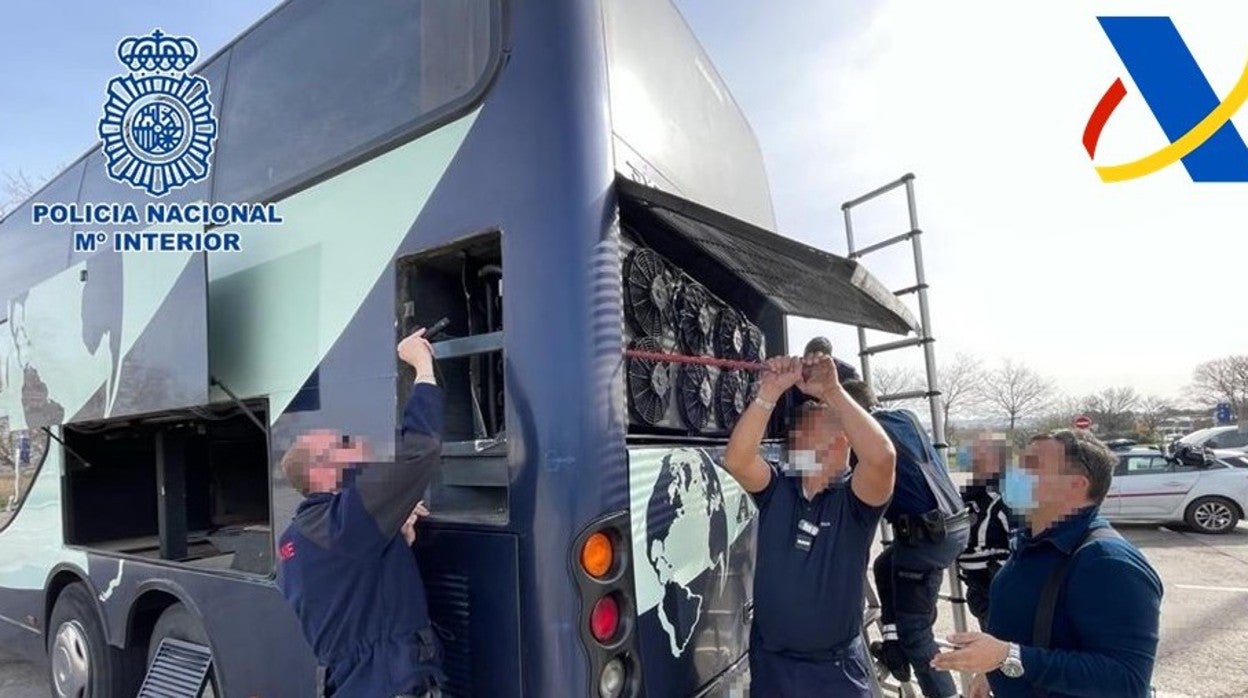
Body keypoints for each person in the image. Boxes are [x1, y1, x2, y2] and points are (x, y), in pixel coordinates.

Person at [277, 328, 446, 697]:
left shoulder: (295, 539)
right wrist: (422, 367)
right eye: (345, 444)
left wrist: (391, 536)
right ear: (321, 472)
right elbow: (420, 451)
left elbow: (352, 584)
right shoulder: (347, 522)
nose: (361, 445)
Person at [931, 429, 1163, 698]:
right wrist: (990, 669)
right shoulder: (1029, 543)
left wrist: (1007, 658)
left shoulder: (1106, 561)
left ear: (1076, 485)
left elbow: (1126, 681)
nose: (1014, 474)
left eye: (1032, 466)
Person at [723, 351, 896, 697]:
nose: (804, 440)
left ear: (844, 443)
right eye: (801, 434)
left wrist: (832, 391)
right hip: (772, 664)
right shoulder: (778, 489)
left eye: (823, 433)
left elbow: (882, 458)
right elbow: (737, 460)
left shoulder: (855, 502)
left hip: (831, 673)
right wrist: (769, 392)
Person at [838, 378, 968, 698]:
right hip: (950, 525)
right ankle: (894, 644)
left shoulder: (867, 435)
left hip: (926, 538)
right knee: (885, 565)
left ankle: (940, 690)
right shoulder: (904, 417)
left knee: (918, 635)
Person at [957, 433, 1015, 629]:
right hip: (979, 583)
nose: (974, 459)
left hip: (997, 583)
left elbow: (1021, 541)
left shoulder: (1007, 495)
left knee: (1000, 643)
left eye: (982, 454)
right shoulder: (974, 492)